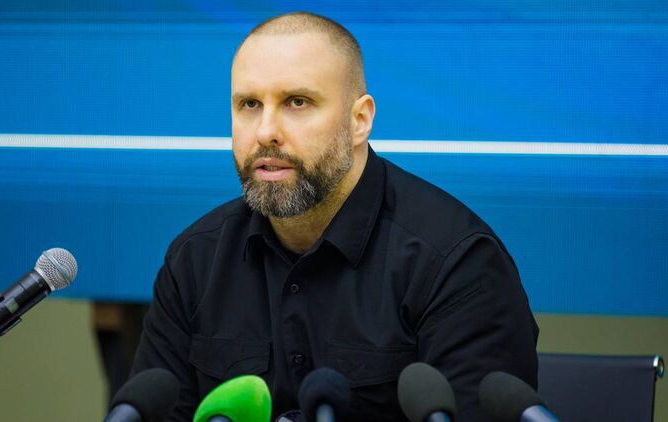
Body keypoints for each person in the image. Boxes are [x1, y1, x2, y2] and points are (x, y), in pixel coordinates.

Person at [130, 12, 539, 421]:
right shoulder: (194, 260)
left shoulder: (455, 263)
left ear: (359, 120)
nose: (265, 132)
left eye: (297, 102)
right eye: (249, 104)